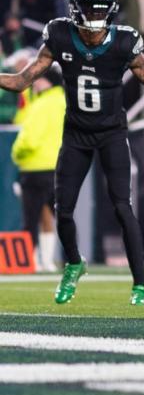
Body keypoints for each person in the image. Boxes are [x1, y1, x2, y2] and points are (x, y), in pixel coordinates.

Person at [0, 0, 144, 305]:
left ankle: (140, 285)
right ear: (75, 9)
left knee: (123, 207)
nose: (95, 19)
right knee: (62, 209)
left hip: (112, 133)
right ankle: (74, 263)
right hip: (77, 134)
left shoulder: (125, 41)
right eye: (89, 10)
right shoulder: (59, 35)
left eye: (100, 11)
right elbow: (23, 80)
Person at [11, 66, 65, 272]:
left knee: (31, 219)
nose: (35, 83)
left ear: (47, 81)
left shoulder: (42, 104)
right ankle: (64, 260)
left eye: (39, 80)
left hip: (34, 168)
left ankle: (30, 261)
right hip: (58, 167)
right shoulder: (63, 102)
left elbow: (29, 139)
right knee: (60, 216)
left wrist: (16, 153)